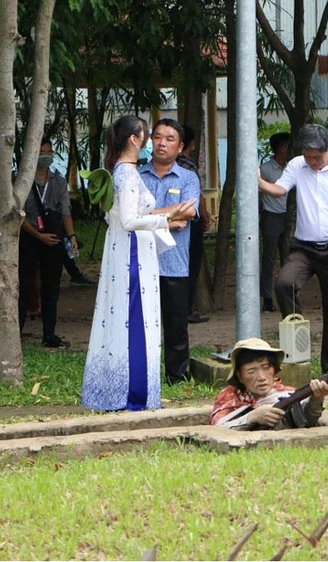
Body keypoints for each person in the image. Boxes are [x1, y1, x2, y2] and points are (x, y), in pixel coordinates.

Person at [81, 115, 194, 411]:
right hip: (133, 255)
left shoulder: (120, 171)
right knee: (136, 320)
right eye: (147, 134)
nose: (151, 140)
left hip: (126, 250)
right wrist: (167, 217)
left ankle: (119, 391)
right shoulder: (129, 175)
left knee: (125, 318)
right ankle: (133, 394)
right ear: (135, 139)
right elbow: (130, 220)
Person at [259, 124, 328, 372]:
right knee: (284, 283)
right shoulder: (297, 164)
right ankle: (297, 349)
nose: (312, 162)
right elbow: (279, 190)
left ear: (327, 149)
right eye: (308, 157)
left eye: (316, 157)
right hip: (304, 247)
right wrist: (257, 181)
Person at [139, 118, 201, 384]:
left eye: (169, 139)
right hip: (140, 261)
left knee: (176, 326)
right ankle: (144, 376)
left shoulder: (188, 177)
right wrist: (166, 218)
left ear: (180, 147)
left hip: (174, 263)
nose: (162, 143)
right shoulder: (137, 175)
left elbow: (188, 212)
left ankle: (176, 377)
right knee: (140, 327)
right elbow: (128, 215)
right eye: (158, 137)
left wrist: (147, 217)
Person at [18, 136, 80, 348]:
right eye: (41, 153)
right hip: (29, 238)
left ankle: (49, 335)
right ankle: (15, 335)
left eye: (48, 152)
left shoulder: (59, 181)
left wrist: (71, 237)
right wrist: (37, 235)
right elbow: (18, 214)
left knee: (51, 289)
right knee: (24, 287)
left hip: (53, 239)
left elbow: (65, 212)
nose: (46, 157)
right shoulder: (21, 182)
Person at [210, 338, 328, 430]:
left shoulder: (287, 393)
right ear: (240, 376)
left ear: (274, 369)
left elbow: (307, 422)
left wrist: (316, 399)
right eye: (251, 371)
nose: (261, 377)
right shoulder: (229, 398)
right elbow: (216, 429)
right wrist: (252, 417)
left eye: (265, 367)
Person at [175, 124, 213, 324]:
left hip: (170, 221)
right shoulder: (188, 166)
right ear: (189, 144)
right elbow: (198, 195)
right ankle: (186, 309)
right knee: (190, 265)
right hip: (189, 222)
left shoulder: (167, 165)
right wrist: (205, 215)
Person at [259, 132, 291, 313]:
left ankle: (287, 296)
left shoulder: (291, 167)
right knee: (269, 260)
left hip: (288, 217)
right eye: (287, 146)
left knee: (288, 259)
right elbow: (259, 194)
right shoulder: (265, 169)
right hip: (271, 216)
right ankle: (267, 297)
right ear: (279, 148)